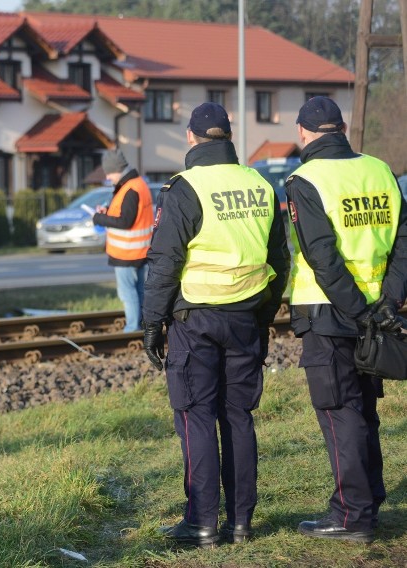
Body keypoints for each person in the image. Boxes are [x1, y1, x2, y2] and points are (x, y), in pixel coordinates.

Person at [142, 102, 290, 547]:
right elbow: (278, 259)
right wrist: (262, 316)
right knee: (238, 417)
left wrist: (152, 323)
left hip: (196, 320)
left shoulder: (185, 188)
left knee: (195, 416)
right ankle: (240, 522)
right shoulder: (260, 183)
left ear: (191, 138)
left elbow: (165, 263)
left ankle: (202, 522)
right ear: (228, 137)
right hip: (246, 315)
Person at [285, 96, 407, 543]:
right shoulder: (380, 170)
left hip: (330, 313)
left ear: (303, 132)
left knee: (340, 412)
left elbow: (322, 257)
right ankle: (369, 498)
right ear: (342, 129)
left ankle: (352, 515)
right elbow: (404, 239)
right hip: (377, 309)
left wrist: (357, 310)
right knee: (364, 410)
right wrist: (387, 303)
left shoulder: (305, 179)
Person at [92, 148, 153, 332]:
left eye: (109, 173)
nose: (108, 177)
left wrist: (99, 218)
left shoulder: (130, 189)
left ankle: (133, 328)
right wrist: (107, 212)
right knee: (139, 291)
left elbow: (125, 221)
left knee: (128, 293)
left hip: (128, 252)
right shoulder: (136, 184)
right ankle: (143, 326)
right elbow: (126, 214)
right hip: (140, 250)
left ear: (116, 169)